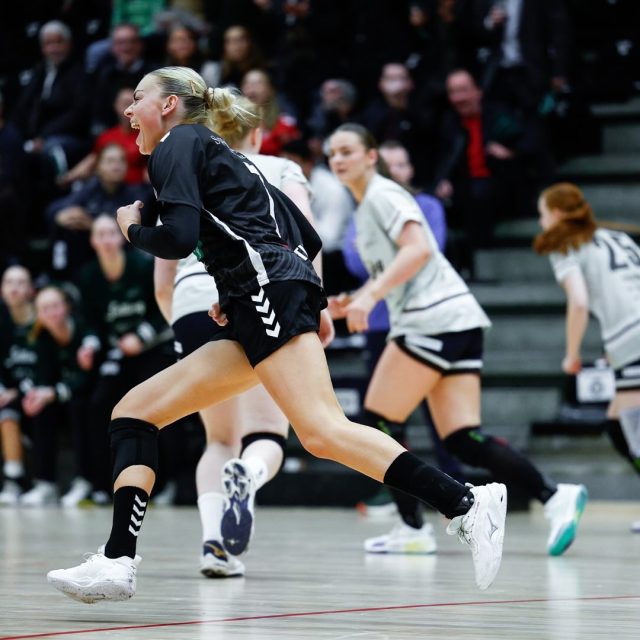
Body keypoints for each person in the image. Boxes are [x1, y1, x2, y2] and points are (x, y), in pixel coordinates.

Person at [47, 66, 507, 604]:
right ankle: (117, 560)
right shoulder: (228, 154)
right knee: (134, 412)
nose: (128, 111)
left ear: (169, 105)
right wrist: (239, 287)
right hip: (261, 293)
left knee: (322, 430)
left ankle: (468, 504)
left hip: (266, 291)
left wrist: (130, 225)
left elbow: (176, 240)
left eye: (138, 98)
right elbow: (302, 231)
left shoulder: (178, 143)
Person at [326, 123, 587, 558]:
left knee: (376, 422)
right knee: (463, 439)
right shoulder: (367, 205)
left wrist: (369, 297)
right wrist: (350, 301)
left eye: (347, 151)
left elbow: (419, 250)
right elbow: (399, 269)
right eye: (332, 153)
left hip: (433, 320)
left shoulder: (382, 194)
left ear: (372, 156)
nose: (337, 159)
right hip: (457, 319)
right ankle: (554, 495)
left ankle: (412, 526)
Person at [153, 94, 331, 578]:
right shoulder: (279, 167)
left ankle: (215, 546)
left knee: (218, 439)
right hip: (261, 294)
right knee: (268, 432)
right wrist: (318, 304)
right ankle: (247, 479)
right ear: (256, 134)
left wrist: (179, 321)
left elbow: (163, 276)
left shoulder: (184, 163)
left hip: (192, 301)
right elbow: (305, 238)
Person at [533, 182, 640, 533]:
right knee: (616, 423)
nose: (541, 222)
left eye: (543, 214)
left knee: (632, 429)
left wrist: (572, 353)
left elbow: (578, 301)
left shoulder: (564, 244)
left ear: (559, 214)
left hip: (632, 337)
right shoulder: (617, 237)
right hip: (627, 339)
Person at [19, 286, 95, 506]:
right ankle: (45, 484)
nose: (51, 312)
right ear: (38, 314)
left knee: (79, 407)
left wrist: (53, 392)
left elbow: (87, 378)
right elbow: (41, 376)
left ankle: (85, 481)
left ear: (66, 307)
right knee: (40, 410)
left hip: (84, 395)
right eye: (44, 308)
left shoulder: (82, 330)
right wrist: (35, 394)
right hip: (58, 396)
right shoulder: (40, 338)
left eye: (55, 306)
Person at [0, 265, 37, 505]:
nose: (14, 288)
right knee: (7, 411)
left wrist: (20, 390)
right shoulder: (2, 323)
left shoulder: (42, 319)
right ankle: (13, 478)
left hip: (40, 390)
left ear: (31, 289)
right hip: (11, 394)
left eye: (21, 282)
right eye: (9, 282)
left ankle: (23, 481)